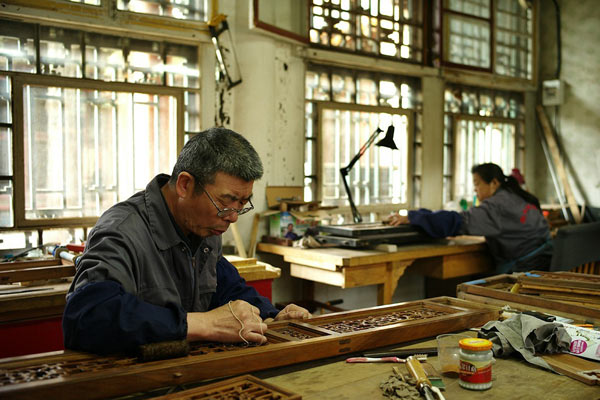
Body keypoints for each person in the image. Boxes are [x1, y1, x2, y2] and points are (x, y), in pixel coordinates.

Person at [63, 127, 310, 355]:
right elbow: (87, 318)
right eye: (225, 203)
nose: (233, 217)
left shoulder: (203, 226)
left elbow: (227, 289)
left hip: (187, 369)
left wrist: (271, 315)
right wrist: (202, 324)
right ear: (185, 184)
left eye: (242, 204)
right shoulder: (121, 232)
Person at [387, 163, 552, 273]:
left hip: (529, 268)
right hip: (544, 260)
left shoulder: (497, 205)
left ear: (494, 183)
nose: (475, 190)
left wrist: (413, 218)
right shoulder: (513, 195)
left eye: (477, 184)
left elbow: (458, 222)